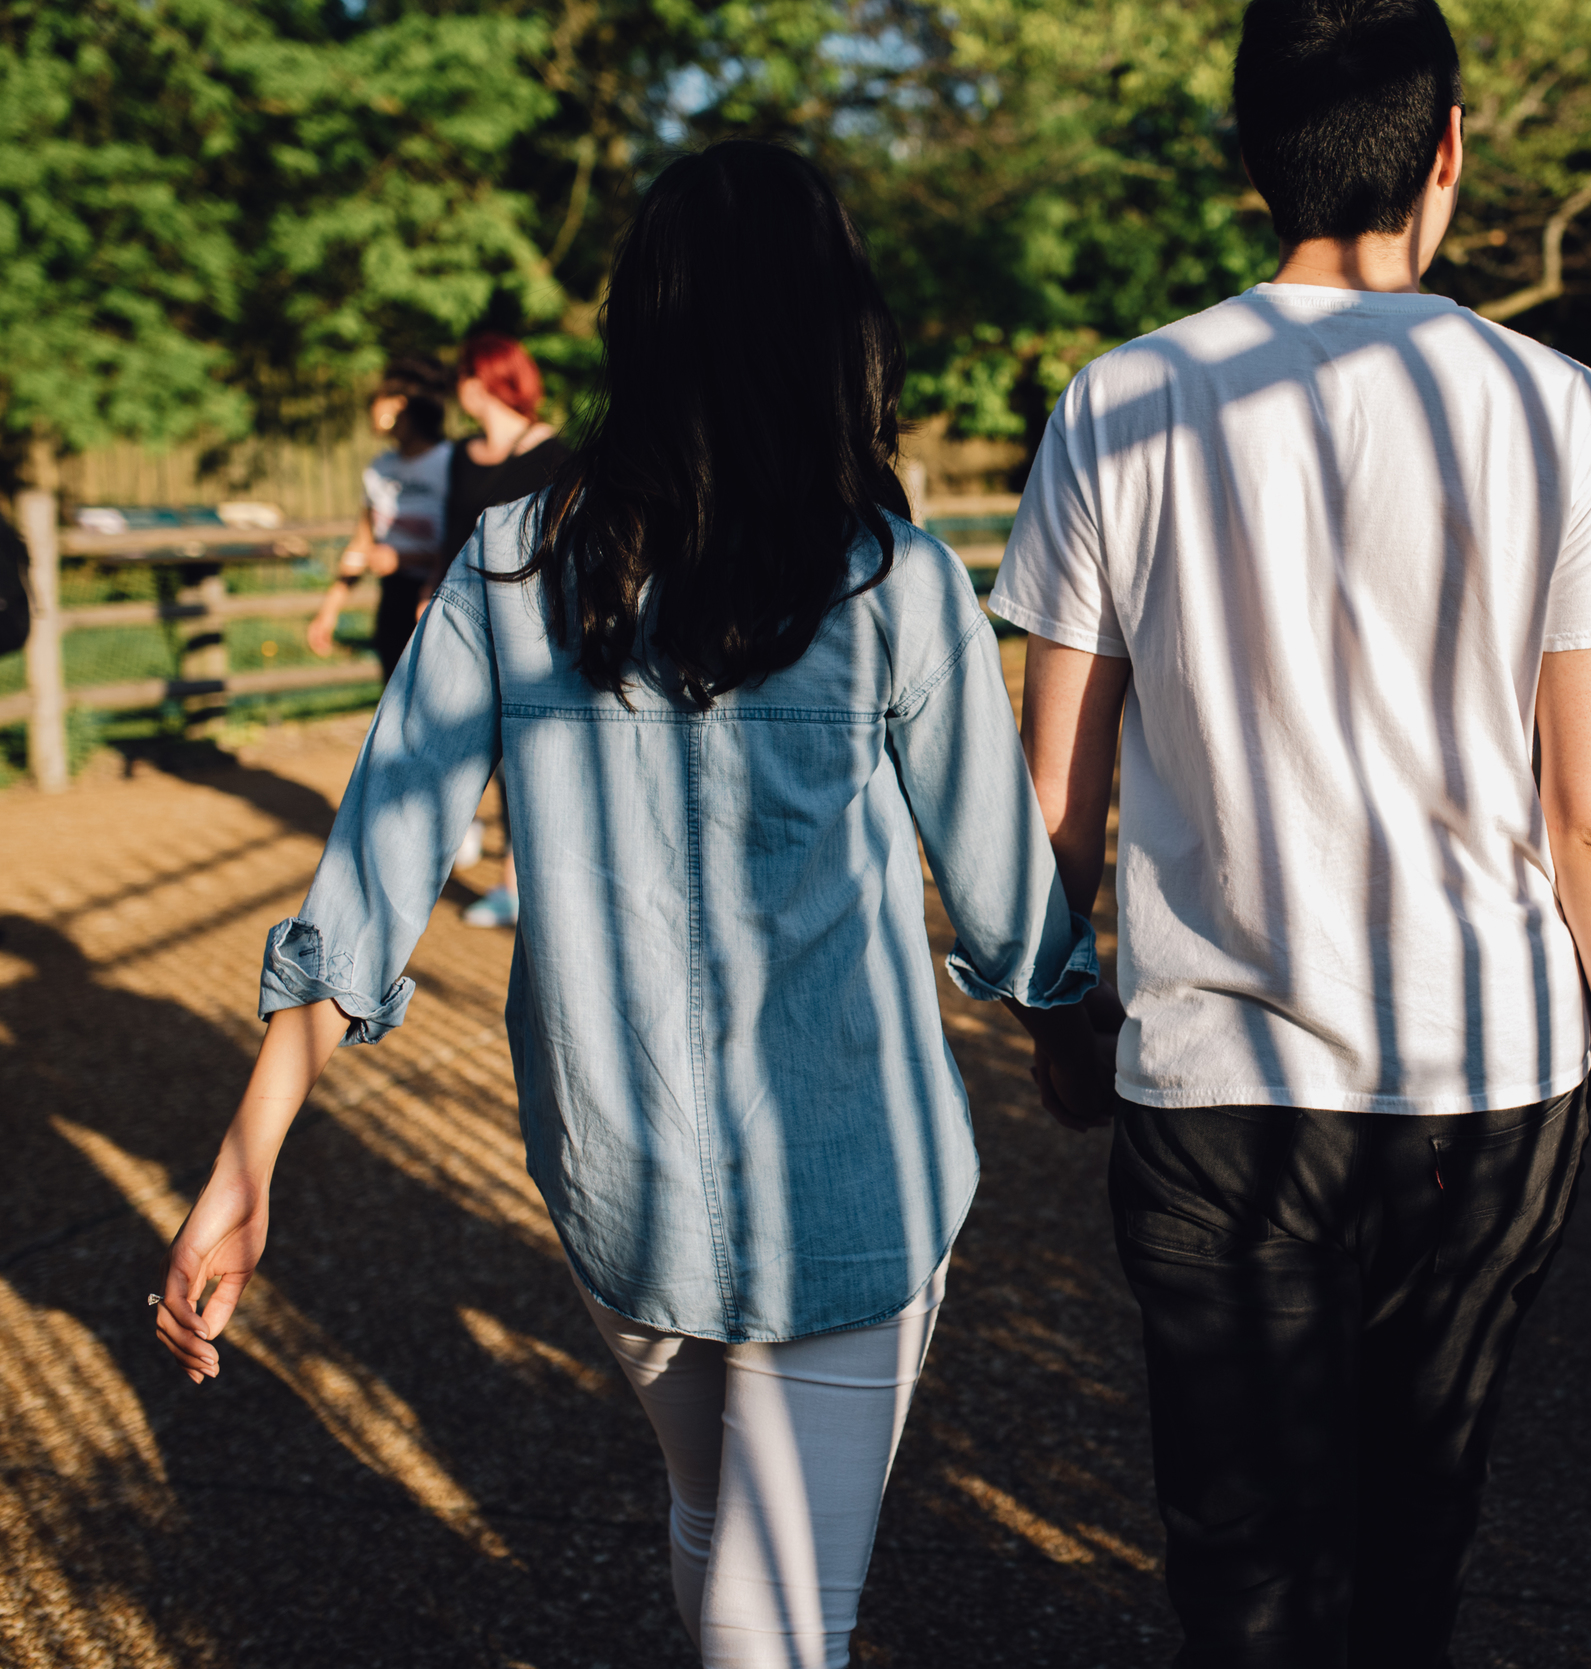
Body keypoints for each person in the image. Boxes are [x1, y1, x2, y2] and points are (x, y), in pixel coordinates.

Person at [151, 139, 1111, 1669]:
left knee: (721, 1530)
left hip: (621, 1183)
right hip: (856, 1196)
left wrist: (245, 1157)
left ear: (639, 332)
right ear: (836, 329)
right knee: (768, 1612)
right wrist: (1084, 1044)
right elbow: (1010, 909)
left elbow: (374, 866)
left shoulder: (511, 569)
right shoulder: (896, 584)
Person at [988, 2, 1591, 1662]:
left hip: (1215, 1078)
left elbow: (1050, 801)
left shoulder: (1121, 401)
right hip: (1490, 1080)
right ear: (1446, 149)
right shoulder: (1565, 412)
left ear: (1250, 159)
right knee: (1413, 1534)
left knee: (1239, 1563)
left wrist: (1056, 1013)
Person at [442, 332, 574, 931]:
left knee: (529, 755)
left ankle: (520, 882)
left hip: (537, 629)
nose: (461, 386)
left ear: (493, 379)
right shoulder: (459, 456)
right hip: (469, 626)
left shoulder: (558, 453)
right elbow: (450, 542)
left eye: (469, 374)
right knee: (472, 750)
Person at [306, 359, 454, 678]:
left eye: (377, 398)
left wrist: (403, 557)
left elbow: (465, 541)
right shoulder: (379, 468)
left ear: (399, 405)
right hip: (394, 601)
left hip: (440, 597)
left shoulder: (451, 463)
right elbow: (363, 541)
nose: (371, 407)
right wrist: (329, 611)